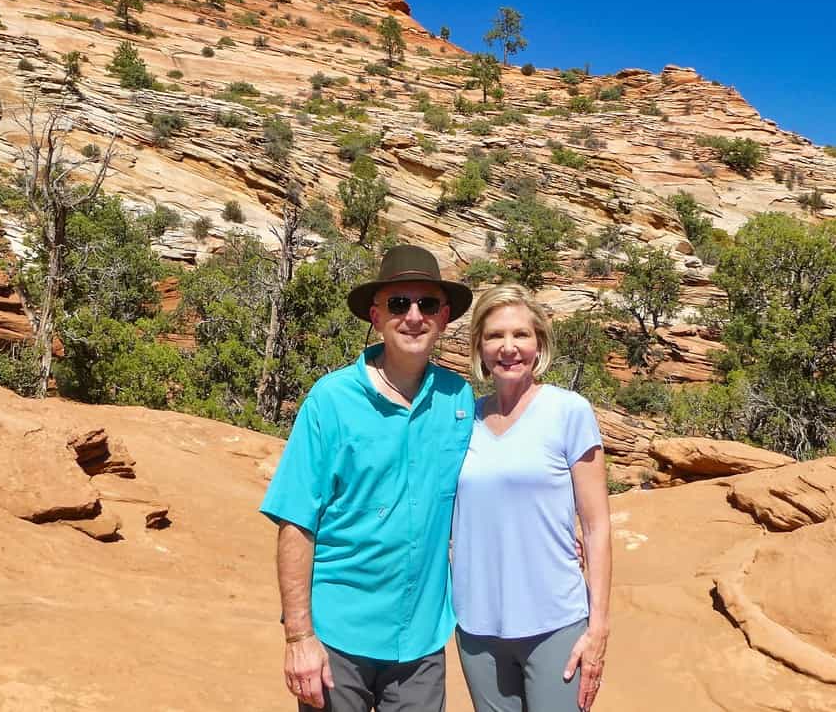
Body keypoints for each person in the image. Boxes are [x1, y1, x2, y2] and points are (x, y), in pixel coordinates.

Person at [260, 245, 476, 712]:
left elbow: (492, 482)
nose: (413, 316)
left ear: (444, 318)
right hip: (340, 637)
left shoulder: (458, 400)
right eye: (399, 303)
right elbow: (296, 520)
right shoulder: (331, 401)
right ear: (377, 316)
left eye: (428, 305)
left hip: (421, 641)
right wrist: (299, 636)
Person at [452, 284, 612, 712]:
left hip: (554, 622)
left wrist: (597, 628)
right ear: (479, 347)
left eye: (520, 335)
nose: (508, 348)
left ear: (538, 341)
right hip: (477, 626)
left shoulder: (569, 412)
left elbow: (596, 526)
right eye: (494, 336)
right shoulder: (461, 421)